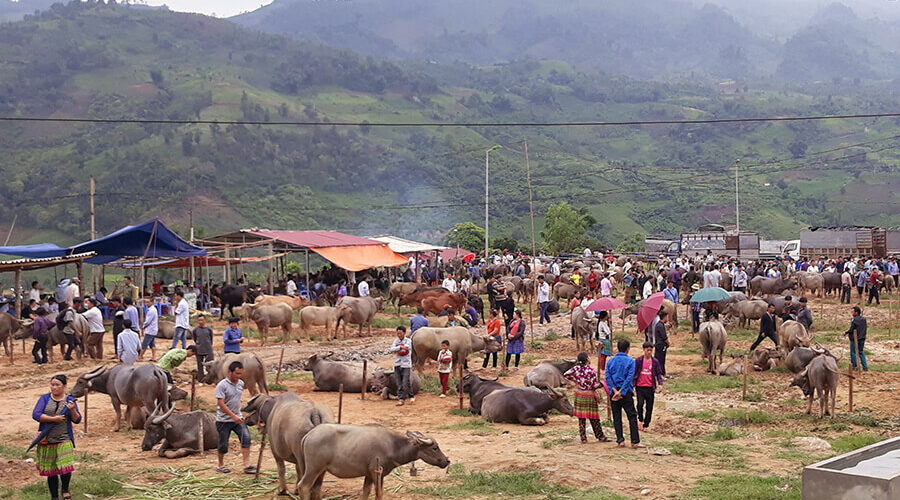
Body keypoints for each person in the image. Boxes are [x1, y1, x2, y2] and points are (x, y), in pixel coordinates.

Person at [32, 374, 82, 500]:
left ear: (64, 386)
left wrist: (72, 410)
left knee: (65, 467)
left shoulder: (70, 401)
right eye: (52, 385)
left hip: (64, 439)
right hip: (47, 440)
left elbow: (77, 419)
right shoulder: (44, 398)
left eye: (57, 385)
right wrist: (53, 419)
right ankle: (54, 496)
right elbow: (36, 414)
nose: (54, 387)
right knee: (51, 471)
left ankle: (65, 489)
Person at [215, 361, 254, 474]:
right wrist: (233, 416)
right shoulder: (222, 385)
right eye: (237, 373)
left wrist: (239, 415)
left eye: (240, 374)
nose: (239, 376)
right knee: (223, 444)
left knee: (246, 438)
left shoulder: (240, 383)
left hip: (238, 418)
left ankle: (246, 465)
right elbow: (221, 404)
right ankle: (220, 465)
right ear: (230, 372)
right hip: (224, 420)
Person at [563, 352, 609, 443]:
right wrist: (602, 384)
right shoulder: (591, 371)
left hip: (579, 395)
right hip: (589, 396)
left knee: (581, 418)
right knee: (594, 417)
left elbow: (565, 375)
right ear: (587, 359)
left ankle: (583, 438)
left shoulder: (575, 369)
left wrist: (576, 381)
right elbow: (593, 386)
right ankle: (600, 436)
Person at [606, 338, 642, 448]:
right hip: (626, 393)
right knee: (632, 416)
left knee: (617, 416)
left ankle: (620, 440)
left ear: (617, 348)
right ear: (628, 349)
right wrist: (622, 391)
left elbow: (608, 377)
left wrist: (615, 391)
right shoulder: (631, 361)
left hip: (614, 393)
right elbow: (629, 378)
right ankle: (634, 441)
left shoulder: (610, 361)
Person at [634, 342, 664, 432]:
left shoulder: (655, 362)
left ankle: (646, 424)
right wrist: (633, 386)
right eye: (648, 350)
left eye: (651, 350)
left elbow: (659, 374)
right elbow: (634, 374)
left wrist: (660, 384)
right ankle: (640, 419)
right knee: (640, 404)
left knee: (649, 407)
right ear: (644, 350)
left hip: (650, 388)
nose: (649, 352)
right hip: (640, 387)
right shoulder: (639, 361)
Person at [390, 326, 413, 406]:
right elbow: (392, 349)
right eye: (398, 333)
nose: (399, 335)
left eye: (400, 333)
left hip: (406, 364)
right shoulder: (396, 341)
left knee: (405, 382)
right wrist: (400, 347)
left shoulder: (408, 341)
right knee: (399, 383)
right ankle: (401, 398)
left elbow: (406, 348)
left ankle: (409, 395)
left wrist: (398, 348)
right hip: (397, 363)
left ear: (404, 333)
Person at [845, 306, 868, 371]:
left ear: (856, 312)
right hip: (862, 338)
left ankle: (854, 367)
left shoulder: (854, 319)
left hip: (854, 339)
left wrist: (846, 332)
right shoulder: (864, 319)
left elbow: (851, 329)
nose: (852, 313)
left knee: (853, 352)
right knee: (861, 352)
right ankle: (865, 367)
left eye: (853, 312)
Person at [193, 315, 215, 381]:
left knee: (210, 365)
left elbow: (211, 339)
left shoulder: (209, 329)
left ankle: (210, 379)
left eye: (202, 320)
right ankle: (200, 379)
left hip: (208, 349)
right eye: (199, 320)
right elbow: (195, 339)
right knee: (200, 366)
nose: (200, 322)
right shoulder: (195, 330)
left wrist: (209, 345)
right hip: (199, 349)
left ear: (205, 320)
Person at [653, 311, 670, 376]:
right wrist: (668, 343)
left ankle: (659, 372)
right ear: (664, 317)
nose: (668, 318)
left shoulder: (659, 324)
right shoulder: (660, 326)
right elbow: (664, 337)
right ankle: (661, 373)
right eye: (667, 317)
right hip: (661, 345)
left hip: (658, 344)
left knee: (658, 359)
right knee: (661, 360)